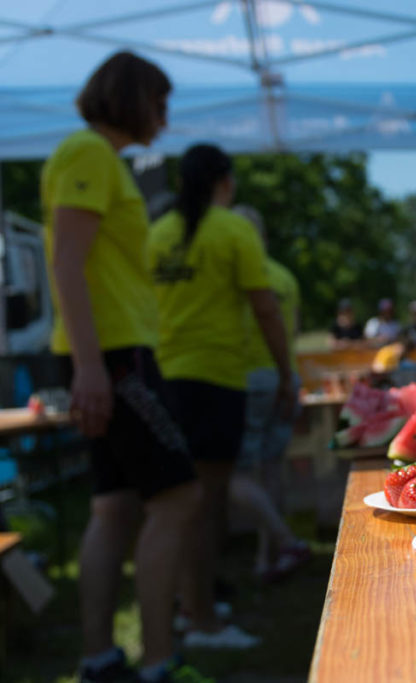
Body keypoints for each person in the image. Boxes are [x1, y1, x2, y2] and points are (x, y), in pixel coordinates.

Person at [42, 51, 203, 683]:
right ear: (132, 98)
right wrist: (89, 368)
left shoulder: (96, 158)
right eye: (159, 104)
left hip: (107, 353)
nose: (165, 119)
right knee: (179, 495)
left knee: (113, 509)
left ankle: (101, 661)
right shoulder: (88, 155)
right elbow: (67, 265)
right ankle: (160, 663)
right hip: (112, 356)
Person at [147, 144, 294, 648]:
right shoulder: (232, 229)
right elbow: (266, 311)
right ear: (224, 181)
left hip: (165, 381)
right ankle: (201, 619)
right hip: (217, 380)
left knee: (179, 501)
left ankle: (192, 605)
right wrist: (287, 374)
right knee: (204, 505)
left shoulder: (159, 234)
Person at [227, 205, 310, 584]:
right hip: (284, 376)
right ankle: (270, 556)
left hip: (245, 379)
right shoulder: (286, 277)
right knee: (272, 468)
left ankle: (283, 542)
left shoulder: (234, 274)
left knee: (238, 472)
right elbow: (289, 333)